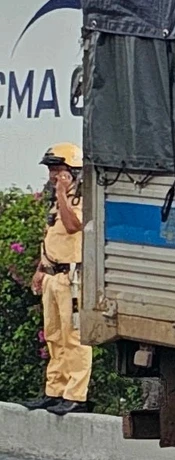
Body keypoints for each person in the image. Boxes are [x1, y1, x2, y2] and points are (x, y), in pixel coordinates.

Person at [26, 143, 87, 415]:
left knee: (73, 336)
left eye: (58, 169)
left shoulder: (80, 197)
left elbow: (73, 226)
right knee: (53, 336)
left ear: (72, 171)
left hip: (71, 277)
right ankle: (55, 390)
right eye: (51, 169)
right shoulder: (56, 199)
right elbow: (51, 235)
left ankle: (76, 394)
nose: (53, 175)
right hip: (53, 275)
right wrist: (41, 268)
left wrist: (63, 193)